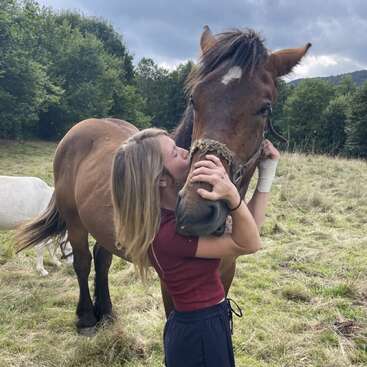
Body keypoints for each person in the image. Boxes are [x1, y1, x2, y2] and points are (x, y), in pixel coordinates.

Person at [111, 128, 280, 367]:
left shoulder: (177, 217)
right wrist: (232, 196)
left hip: (202, 325)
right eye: (174, 153)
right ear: (160, 179)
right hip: (200, 333)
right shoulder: (168, 234)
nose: (186, 151)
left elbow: (247, 229)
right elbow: (249, 243)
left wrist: (267, 173)